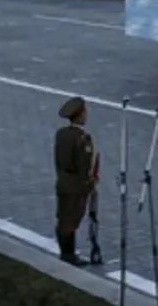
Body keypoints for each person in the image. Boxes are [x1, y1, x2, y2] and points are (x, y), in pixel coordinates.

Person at [53, 96, 96, 266]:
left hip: (62, 182)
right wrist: (89, 185)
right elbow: (83, 167)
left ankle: (65, 251)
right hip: (76, 187)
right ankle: (68, 254)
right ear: (80, 115)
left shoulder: (61, 134)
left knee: (63, 217)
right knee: (71, 220)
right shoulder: (83, 138)